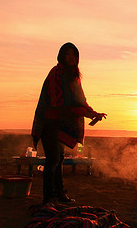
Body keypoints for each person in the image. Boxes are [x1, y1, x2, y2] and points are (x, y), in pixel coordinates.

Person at [31, 42, 107, 204]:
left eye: (74, 55)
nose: (71, 57)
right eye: (68, 54)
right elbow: (58, 102)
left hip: (61, 124)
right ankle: (48, 198)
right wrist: (82, 112)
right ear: (62, 56)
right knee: (52, 160)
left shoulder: (74, 77)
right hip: (49, 122)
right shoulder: (56, 73)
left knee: (58, 159)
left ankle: (59, 194)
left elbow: (81, 101)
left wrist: (93, 113)